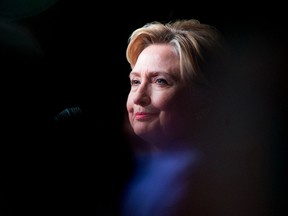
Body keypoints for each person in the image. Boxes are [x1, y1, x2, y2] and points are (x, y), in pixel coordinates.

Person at [119, 19, 230, 216]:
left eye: (160, 81)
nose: (137, 97)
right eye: (135, 81)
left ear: (203, 100)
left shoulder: (195, 184)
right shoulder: (156, 167)